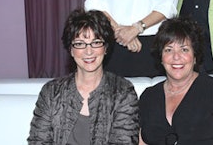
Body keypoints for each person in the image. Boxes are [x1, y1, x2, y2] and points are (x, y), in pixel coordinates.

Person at [27, 8, 139, 144]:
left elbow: (124, 142)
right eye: (80, 44)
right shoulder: (51, 92)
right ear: (71, 50)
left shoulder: (122, 92)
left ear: (106, 48)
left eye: (96, 42)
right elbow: (38, 141)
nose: (89, 51)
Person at [138, 17, 213, 145]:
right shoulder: (148, 97)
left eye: (184, 49)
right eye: (168, 50)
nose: (176, 57)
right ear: (161, 57)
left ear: (195, 56)